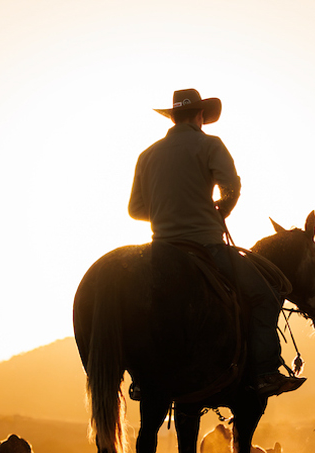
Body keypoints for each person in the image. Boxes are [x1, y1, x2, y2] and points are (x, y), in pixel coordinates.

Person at [128, 88, 304, 398]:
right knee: (266, 295)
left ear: (173, 116)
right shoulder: (210, 145)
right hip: (205, 245)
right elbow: (231, 188)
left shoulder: (147, 155)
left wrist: (167, 211)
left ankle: (142, 378)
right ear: (199, 116)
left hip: (161, 249)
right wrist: (219, 208)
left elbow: (135, 210)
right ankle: (264, 372)